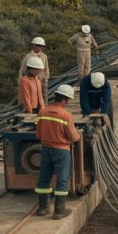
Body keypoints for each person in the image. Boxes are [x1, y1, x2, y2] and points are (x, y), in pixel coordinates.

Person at [35, 84, 81, 220]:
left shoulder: (42, 112)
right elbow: (73, 137)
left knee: (44, 179)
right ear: (65, 100)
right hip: (62, 152)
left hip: (46, 150)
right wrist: (78, 135)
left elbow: (38, 135)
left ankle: (43, 208)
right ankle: (59, 211)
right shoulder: (66, 115)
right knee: (61, 180)